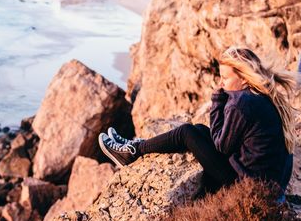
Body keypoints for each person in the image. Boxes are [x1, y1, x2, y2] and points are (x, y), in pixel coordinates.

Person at [99, 47, 299, 200]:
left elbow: (221, 145)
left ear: (244, 78)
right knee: (200, 130)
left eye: (225, 78)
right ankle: (134, 148)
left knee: (187, 132)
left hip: (249, 187)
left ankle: (133, 151)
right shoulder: (263, 96)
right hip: (270, 187)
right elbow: (223, 139)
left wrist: (218, 99)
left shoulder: (242, 102)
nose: (221, 83)